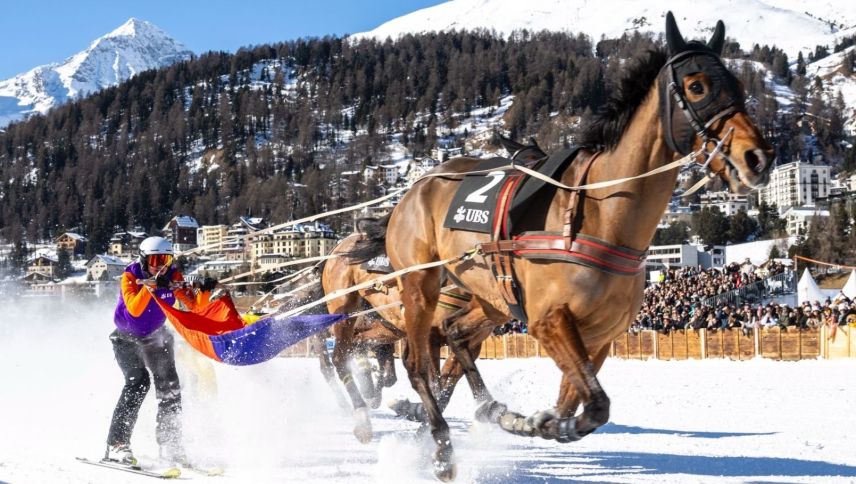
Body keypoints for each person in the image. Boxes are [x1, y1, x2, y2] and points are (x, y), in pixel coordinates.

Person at [104, 236, 202, 466]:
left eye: (166, 260)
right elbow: (135, 310)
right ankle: (117, 444)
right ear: (143, 258)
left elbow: (191, 303)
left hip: (157, 336)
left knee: (170, 387)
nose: (161, 265)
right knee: (138, 383)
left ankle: (170, 443)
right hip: (126, 338)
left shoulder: (171, 275)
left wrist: (199, 290)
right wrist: (149, 287)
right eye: (156, 259)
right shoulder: (130, 276)